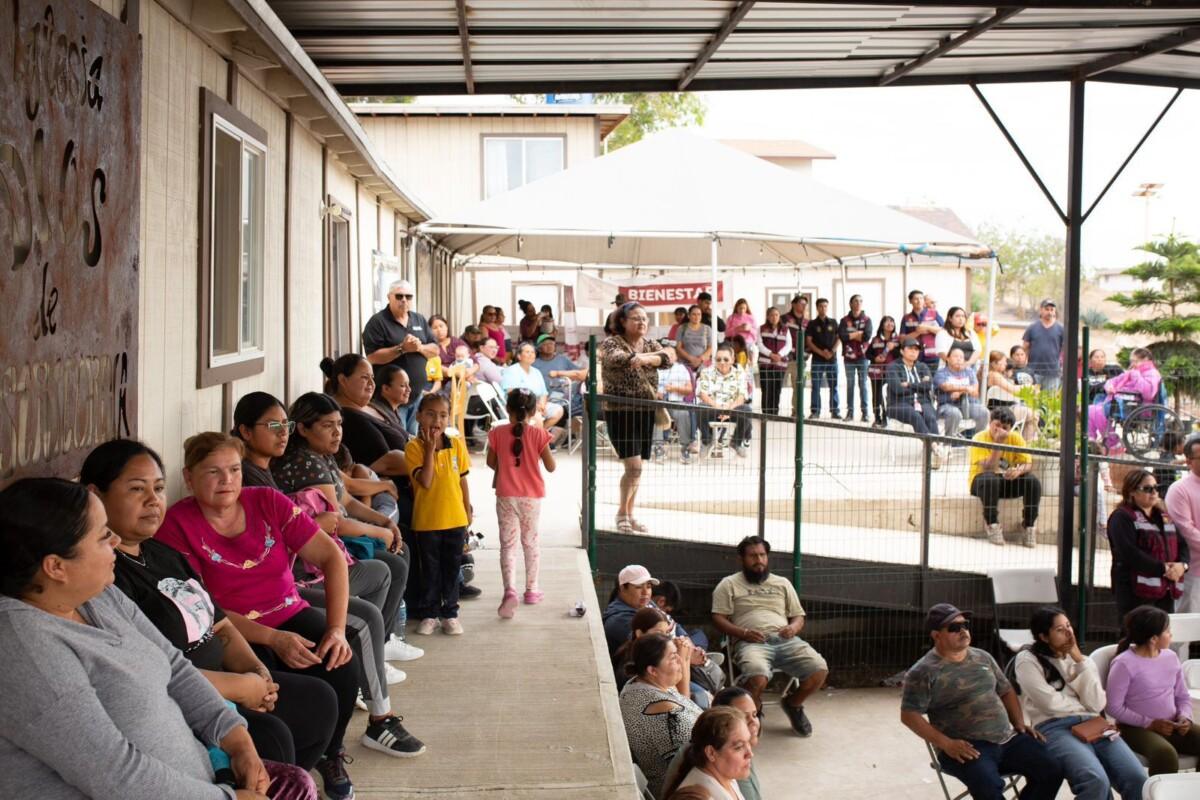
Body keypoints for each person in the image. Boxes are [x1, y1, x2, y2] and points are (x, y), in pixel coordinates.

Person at [0, 477, 281, 800]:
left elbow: (174, 667)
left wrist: (236, 740)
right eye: (103, 535)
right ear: (56, 567)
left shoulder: (98, 597)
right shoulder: (25, 650)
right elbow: (115, 776)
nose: (116, 540)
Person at [82, 439, 339, 774]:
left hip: (229, 679)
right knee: (273, 736)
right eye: (136, 489)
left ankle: (293, 785)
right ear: (95, 496)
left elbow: (222, 627)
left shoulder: (161, 553)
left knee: (319, 700)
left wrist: (256, 673)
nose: (153, 500)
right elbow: (150, 674)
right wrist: (242, 687)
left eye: (158, 488)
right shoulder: (105, 575)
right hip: (181, 699)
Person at [151, 435, 382, 797]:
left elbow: (331, 557)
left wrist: (336, 629)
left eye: (233, 470)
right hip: (234, 630)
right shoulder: (176, 526)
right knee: (271, 693)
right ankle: (280, 777)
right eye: (213, 471)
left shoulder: (266, 501)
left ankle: (329, 753)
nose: (226, 480)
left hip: (288, 610)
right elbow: (203, 609)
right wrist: (273, 639)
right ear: (190, 477)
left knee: (340, 656)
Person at [900, 603, 1063, 800]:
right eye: (954, 628)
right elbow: (909, 716)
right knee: (989, 787)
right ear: (936, 635)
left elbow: (1006, 690)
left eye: (965, 625)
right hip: (967, 748)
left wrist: (1019, 723)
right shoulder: (923, 672)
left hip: (1007, 739)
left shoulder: (983, 657)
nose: (963, 631)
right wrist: (947, 744)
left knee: (1052, 769)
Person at [1012, 606, 1147, 800]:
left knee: (1137, 778)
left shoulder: (1083, 660)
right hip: (1054, 727)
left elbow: (1097, 703)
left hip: (1095, 724)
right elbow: (1049, 703)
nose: (1068, 633)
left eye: (1068, 625)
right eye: (1060, 629)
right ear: (1043, 636)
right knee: (1095, 780)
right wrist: (1081, 704)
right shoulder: (1028, 660)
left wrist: (1078, 661)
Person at [711, 536, 828, 737]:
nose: (759, 560)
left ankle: (793, 704)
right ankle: (751, 715)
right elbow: (718, 618)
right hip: (750, 643)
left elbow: (798, 615)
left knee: (819, 670)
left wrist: (793, 627)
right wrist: (743, 633)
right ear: (741, 559)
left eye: (762, 555)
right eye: (753, 556)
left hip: (786, 640)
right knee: (757, 676)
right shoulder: (729, 584)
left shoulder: (782, 583)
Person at [599, 301, 675, 534]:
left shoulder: (649, 344)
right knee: (633, 466)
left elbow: (670, 356)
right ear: (622, 321)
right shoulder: (611, 343)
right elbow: (619, 359)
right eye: (635, 318)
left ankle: (630, 514)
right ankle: (621, 513)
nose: (642, 322)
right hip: (621, 413)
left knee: (638, 468)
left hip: (645, 411)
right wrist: (651, 357)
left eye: (644, 318)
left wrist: (647, 358)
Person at [406, 392, 473, 636]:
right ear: (419, 416)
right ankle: (430, 613)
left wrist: (467, 510)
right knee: (430, 570)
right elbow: (425, 480)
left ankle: (450, 613)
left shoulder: (456, 445)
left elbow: (463, 481)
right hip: (427, 521)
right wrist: (429, 449)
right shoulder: (413, 448)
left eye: (443, 415)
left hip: (455, 518)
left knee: (452, 568)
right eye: (431, 414)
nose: (437, 420)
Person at [1106, 606, 1200, 774]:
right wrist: (1149, 723)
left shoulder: (1170, 657)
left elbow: (1182, 696)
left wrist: (1185, 717)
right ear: (1153, 639)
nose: (1171, 634)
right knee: (1165, 754)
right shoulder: (1123, 664)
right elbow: (1113, 707)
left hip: (1173, 724)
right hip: (1134, 728)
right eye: (1167, 631)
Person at [487, 388, 556, 618]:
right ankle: (532, 590)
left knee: (508, 545)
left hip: (506, 495)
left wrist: (508, 468)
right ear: (534, 410)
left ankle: (509, 591)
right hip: (531, 497)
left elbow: (490, 462)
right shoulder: (538, 434)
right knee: (530, 542)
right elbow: (551, 466)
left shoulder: (497, 433)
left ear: (507, 409)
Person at [619, 633, 703, 798]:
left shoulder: (638, 683)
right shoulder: (667, 716)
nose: (680, 660)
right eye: (673, 657)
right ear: (652, 670)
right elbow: (689, 767)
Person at [1106, 468, 1190, 619]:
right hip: (1135, 594)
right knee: (1137, 637)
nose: (1154, 492)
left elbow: (1182, 544)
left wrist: (1182, 566)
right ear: (1131, 491)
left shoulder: (1164, 516)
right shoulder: (1122, 517)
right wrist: (1164, 569)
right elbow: (1130, 553)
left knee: (1163, 637)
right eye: (1147, 489)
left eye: (1156, 488)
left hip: (1166, 591)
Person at [362, 279, 439, 434]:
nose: (404, 300)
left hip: (416, 395)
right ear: (389, 297)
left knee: (412, 443)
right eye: (399, 296)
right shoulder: (378, 322)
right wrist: (401, 349)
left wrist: (419, 347)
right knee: (399, 442)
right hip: (392, 399)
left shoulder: (419, 319)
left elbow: (435, 349)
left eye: (408, 296)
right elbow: (372, 357)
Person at [969, 406, 1042, 548]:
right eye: (997, 425)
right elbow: (989, 466)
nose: (1000, 430)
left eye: (1005, 428)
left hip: (1005, 481)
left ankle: (1029, 525)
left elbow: (1027, 463)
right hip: (982, 482)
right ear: (990, 423)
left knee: (1032, 482)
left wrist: (1018, 471)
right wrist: (998, 443)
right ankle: (992, 524)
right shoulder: (979, 438)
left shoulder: (1015, 438)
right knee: (990, 478)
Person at [661, 706, 753, 800]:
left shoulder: (727, 777)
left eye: (748, 742)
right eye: (738, 747)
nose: (750, 754)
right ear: (711, 753)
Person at [1087, 348, 1162, 450]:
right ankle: (1090, 440)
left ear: (1146, 360)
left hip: (1137, 406)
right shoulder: (1133, 371)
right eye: (1132, 361)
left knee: (1098, 411)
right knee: (1089, 409)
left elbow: (1148, 394)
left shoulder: (1151, 373)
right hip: (1123, 402)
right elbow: (1115, 380)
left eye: (1135, 361)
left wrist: (1136, 376)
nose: (1133, 364)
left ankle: (1112, 442)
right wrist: (1109, 386)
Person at [696, 343, 752, 458]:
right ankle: (706, 441)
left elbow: (741, 396)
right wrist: (719, 408)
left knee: (747, 410)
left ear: (732, 360)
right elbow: (703, 394)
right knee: (700, 408)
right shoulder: (706, 372)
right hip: (712, 408)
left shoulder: (739, 374)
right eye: (718, 359)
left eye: (726, 359)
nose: (722, 362)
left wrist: (728, 410)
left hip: (732, 409)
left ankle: (736, 442)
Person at [1164, 436, 1200, 613]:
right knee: (1182, 635)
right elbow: (1186, 531)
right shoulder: (1179, 490)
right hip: (1192, 573)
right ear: (1188, 461)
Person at [502, 340, 565, 437]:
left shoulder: (536, 372)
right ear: (519, 356)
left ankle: (536, 436)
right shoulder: (511, 371)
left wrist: (542, 404)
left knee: (558, 410)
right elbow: (512, 393)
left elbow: (543, 393)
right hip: (519, 405)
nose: (531, 355)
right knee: (537, 417)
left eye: (533, 352)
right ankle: (538, 440)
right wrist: (534, 405)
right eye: (527, 352)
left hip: (536, 405)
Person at [886, 338, 941, 449]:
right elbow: (897, 389)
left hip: (922, 402)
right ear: (902, 351)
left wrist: (909, 385)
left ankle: (934, 449)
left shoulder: (922, 367)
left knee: (930, 416)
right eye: (910, 349)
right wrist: (919, 386)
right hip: (898, 403)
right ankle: (934, 447)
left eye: (916, 350)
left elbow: (928, 385)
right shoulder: (893, 367)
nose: (913, 352)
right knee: (915, 415)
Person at [603, 564, 662, 656]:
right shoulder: (619, 620)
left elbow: (676, 626)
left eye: (649, 586)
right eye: (639, 587)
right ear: (623, 588)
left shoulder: (647, 603)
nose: (645, 592)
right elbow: (655, 650)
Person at [532, 332, 588, 423]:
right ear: (539, 348)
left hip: (564, 397)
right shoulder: (534, 364)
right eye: (546, 344)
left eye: (551, 344)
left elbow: (578, 373)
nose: (549, 346)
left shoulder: (562, 359)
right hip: (544, 399)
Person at [985, 350, 1039, 441]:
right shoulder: (994, 375)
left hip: (1007, 408)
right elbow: (1012, 390)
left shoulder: (1000, 375)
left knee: (1032, 414)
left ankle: (1025, 441)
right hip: (999, 411)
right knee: (1032, 415)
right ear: (994, 364)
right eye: (1004, 362)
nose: (1006, 364)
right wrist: (1028, 387)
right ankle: (1028, 443)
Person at [935, 348, 989, 439]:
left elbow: (975, 391)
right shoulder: (941, 373)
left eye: (961, 357)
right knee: (955, 413)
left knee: (984, 412)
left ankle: (977, 441)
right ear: (947, 358)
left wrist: (960, 392)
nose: (959, 359)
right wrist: (967, 388)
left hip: (969, 404)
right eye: (956, 356)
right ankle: (950, 442)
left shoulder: (969, 372)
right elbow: (946, 387)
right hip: (948, 405)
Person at [838, 294, 873, 423]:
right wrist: (858, 334)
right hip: (849, 358)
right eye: (855, 301)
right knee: (850, 385)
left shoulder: (867, 319)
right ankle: (850, 413)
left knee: (863, 384)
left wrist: (851, 335)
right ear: (850, 304)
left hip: (863, 357)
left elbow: (867, 337)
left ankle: (865, 413)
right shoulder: (844, 320)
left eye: (860, 301)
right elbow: (842, 336)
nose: (858, 303)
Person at [659, 355, 699, 464]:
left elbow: (689, 389)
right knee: (655, 413)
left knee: (683, 414)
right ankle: (660, 446)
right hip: (658, 402)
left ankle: (685, 447)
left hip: (675, 401)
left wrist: (673, 388)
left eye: (671, 354)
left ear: (675, 357)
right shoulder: (656, 368)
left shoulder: (681, 369)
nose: (667, 357)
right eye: (664, 354)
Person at [804, 297, 840, 419]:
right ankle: (815, 411)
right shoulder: (812, 324)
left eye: (825, 306)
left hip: (832, 359)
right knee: (816, 386)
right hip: (817, 360)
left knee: (834, 386)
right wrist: (820, 352)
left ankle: (835, 411)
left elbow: (839, 338)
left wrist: (832, 351)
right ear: (817, 308)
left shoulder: (834, 322)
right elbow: (808, 341)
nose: (823, 308)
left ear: (827, 307)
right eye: (821, 306)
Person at [1022, 300, 1065, 391]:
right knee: (1032, 400)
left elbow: (1065, 350)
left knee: (1049, 401)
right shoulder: (1032, 327)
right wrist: (1025, 365)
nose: (1049, 312)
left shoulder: (1061, 329)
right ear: (1041, 310)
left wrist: (1061, 365)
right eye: (1047, 309)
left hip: (1052, 372)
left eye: (1052, 310)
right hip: (1033, 370)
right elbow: (1025, 347)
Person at [865, 315, 899, 428]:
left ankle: (887, 418)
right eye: (887, 322)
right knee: (877, 396)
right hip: (876, 373)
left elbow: (900, 355)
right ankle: (877, 418)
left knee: (888, 396)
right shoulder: (875, 339)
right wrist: (875, 359)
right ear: (882, 325)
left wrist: (893, 348)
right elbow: (868, 354)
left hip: (891, 372)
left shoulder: (897, 340)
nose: (890, 324)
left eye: (892, 321)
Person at [757, 306, 792, 416]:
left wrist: (780, 355)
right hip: (765, 364)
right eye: (771, 315)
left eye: (776, 315)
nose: (774, 317)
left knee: (777, 389)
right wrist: (770, 354)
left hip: (780, 364)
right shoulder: (761, 328)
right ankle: (766, 413)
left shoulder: (786, 329)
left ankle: (774, 413)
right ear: (767, 316)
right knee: (766, 388)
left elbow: (789, 345)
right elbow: (759, 344)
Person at [899, 290, 942, 371]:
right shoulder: (906, 318)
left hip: (932, 355)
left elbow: (944, 331)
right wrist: (917, 332)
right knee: (916, 381)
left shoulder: (934, 313)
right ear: (910, 301)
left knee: (930, 381)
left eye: (921, 298)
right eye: (916, 299)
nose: (919, 301)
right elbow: (902, 339)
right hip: (913, 356)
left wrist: (928, 328)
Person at [676, 304, 714, 371]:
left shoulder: (707, 329)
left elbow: (710, 347)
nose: (697, 317)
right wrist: (691, 359)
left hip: (703, 364)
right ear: (689, 315)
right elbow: (679, 347)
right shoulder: (682, 328)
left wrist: (700, 359)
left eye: (699, 314)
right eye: (694, 314)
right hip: (685, 364)